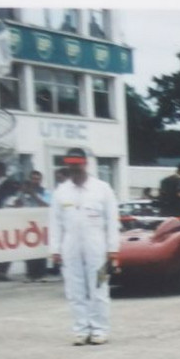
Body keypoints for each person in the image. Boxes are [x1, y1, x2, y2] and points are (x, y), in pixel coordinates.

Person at [48, 147, 120, 346]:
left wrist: (113, 249)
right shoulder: (61, 192)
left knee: (99, 287)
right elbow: (55, 223)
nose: (74, 168)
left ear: (85, 163)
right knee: (75, 290)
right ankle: (81, 329)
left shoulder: (102, 189)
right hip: (70, 247)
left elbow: (112, 221)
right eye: (70, 165)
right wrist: (55, 249)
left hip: (98, 247)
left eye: (77, 164)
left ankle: (99, 329)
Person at [14, 169, 51, 282]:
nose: (35, 181)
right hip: (26, 224)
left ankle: (41, 274)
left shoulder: (45, 192)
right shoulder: (23, 192)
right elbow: (16, 206)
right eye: (33, 179)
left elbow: (46, 205)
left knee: (41, 250)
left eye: (37, 179)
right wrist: (21, 194)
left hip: (41, 224)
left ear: (41, 180)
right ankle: (30, 274)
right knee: (28, 250)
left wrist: (33, 194)